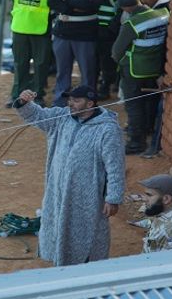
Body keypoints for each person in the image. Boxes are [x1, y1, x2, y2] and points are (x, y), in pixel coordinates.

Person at [13, 85, 125, 266]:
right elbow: (37, 115)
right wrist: (24, 102)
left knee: (87, 235)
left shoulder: (107, 130)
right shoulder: (62, 118)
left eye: (76, 100)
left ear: (90, 103)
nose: (71, 104)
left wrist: (113, 198)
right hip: (58, 191)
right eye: (70, 99)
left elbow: (115, 166)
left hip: (87, 196)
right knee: (58, 227)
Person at [111, 0, 169, 154]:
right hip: (157, 69)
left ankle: (136, 142)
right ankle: (149, 131)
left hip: (134, 70)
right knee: (150, 102)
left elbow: (116, 51)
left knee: (134, 105)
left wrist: (121, 60)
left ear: (126, 8)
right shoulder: (163, 14)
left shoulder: (132, 24)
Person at [47, 0, 105, 107]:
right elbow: (51, 0)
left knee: (87, 72)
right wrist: (71, 6)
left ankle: (88, 103)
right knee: (62, 71)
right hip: (62, 31)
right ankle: (61, 101)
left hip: (85, 33)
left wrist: (67, 0)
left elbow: (91, 3)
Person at [7, 0, 59, 107]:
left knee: (41, 64)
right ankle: (17, 95)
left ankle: (37, 96)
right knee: (20, 63)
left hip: (41, 29)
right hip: (20, 27)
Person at [95, 0, 131, 100]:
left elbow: (122, 7)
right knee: (97, 58)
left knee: (109, 60)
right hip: (96, 26)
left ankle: (106, 87)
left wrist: (112, 27)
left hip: (111, 28)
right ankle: (100, 83)